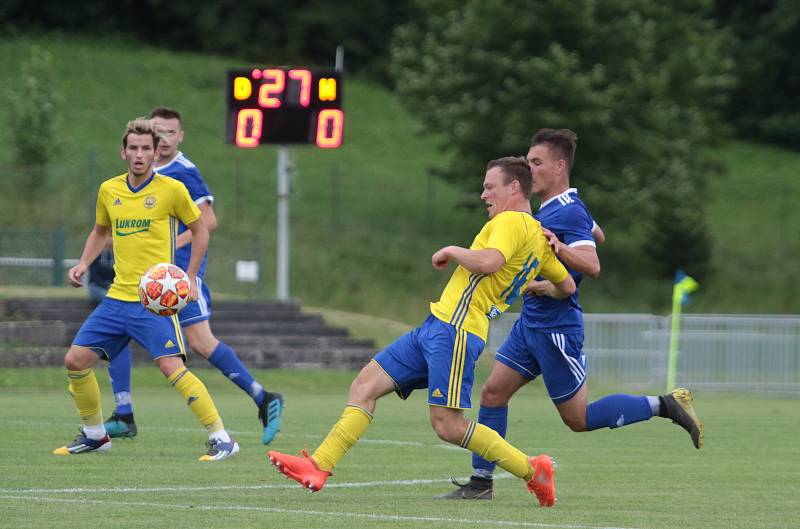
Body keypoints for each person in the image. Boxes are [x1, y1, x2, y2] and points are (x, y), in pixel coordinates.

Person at [268, 156, 576, 507]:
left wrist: (451, 250)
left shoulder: (511, 221)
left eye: (490, 187)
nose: (483, 194)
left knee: (447, 426)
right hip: (438, 325)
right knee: (364, 385)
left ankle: (532, 470)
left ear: (514, 187)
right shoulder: (538, 236)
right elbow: (566, 285)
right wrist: (532, 285)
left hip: (457, 330)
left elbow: (490, 262)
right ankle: (318, 466)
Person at [440, 128, 704, 500]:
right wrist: (553, 268)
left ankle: (665, 404)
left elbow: (592, 263)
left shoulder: (566, 210)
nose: (529, 170)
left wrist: (560, 248)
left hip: (556, 328)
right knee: (493, 393)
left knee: (577, 419)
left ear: (560, 166)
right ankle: (481, 482)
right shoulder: (559, 208)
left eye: (537, 163)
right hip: (531, 321)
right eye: (528, 162)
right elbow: (597, 234)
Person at [53, 117, 238, 460]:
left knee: (171, 368)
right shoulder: (109, 190)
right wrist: (82, 263)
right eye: (133, 148)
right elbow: (99, 231)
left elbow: (202, 231)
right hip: (116, 299)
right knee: (75, 360)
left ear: (155, 154)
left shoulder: (171, 190)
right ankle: (96, 435)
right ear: (123, 152)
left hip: (153, 303)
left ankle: (222, 438)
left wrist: (190, 278)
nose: (139, 154)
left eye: (146, 149)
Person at [102, 107, 283, 445]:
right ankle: (123, 413)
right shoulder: (146, 175)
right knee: (115, 332)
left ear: (180, 136)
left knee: (200, 342)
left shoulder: (183, 171)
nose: (165, 139)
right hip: (148, 278)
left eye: (171, 132)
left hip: (175, 278)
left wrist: (176, 256)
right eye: (160, 132)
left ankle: (264, 397)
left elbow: (208, 221)